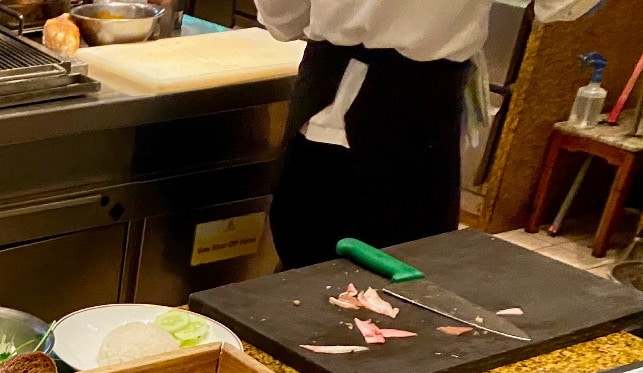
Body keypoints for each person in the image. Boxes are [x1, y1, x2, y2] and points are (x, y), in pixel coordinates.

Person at [257, 0, 610, 268]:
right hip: (409, 110)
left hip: (327, 99)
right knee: (399, 272)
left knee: (301, 268)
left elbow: (282, 16)